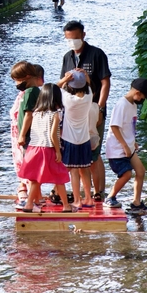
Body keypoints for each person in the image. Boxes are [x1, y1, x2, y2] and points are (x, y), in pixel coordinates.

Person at [61, 20, 111, 199]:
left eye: (75, 38)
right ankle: (84, 192)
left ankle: (99, 192)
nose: (72, 42)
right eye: (69, 39)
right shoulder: (67, 57)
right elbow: (63, 86)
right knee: (78, 154)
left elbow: (105, 83)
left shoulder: (97, 54)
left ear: (83, 35)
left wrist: (101, 108)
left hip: (93, 110)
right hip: (73, 113)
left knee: (94, 152)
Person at [18, 83, 71, 212]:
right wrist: (58, 151)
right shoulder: (56, 114)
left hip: (34, 148)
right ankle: (66, 206)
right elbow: (53, 135)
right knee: (59, 177)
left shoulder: (36, 113)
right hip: (48, 148)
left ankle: (29, 204)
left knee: (36, 178)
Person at [105, 78, 147, 213]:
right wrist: (125, 145)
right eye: (143, 97)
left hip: (128, 146)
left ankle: (136, 203)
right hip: (117, 148)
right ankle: (110, 197)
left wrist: (133, 141)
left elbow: (129, 126)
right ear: (137, 93)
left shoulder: (132, 105)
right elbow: (114, 127)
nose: (142, 100)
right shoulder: (122, 105)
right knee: (126, 174)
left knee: (141, 171)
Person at [57, 69, 95, 209]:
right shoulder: (88, 97)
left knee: (74, 170)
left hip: (70, 140)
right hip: (84, 139)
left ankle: (77, 200)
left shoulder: (68, 99)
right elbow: (89, 85)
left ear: (70, 86)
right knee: (85, 169)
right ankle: (89, 198)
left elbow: (54, 88)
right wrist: (85, 75)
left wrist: (65, 79)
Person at [9, 62, 44, 203]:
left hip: (29, 136)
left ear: (27, 77)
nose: (16, 84)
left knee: (30, 167)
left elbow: (29, 115)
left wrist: (22, 135)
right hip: (29, 136)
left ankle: (34, 199)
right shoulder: (29, 92)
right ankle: (37, 197)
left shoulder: (31, 92)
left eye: (18, 80)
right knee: (30, 166)